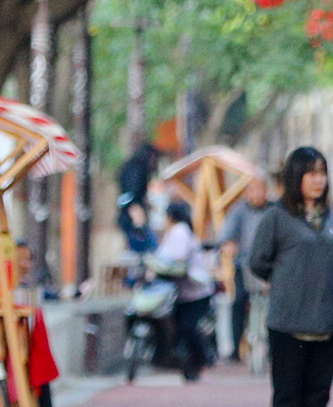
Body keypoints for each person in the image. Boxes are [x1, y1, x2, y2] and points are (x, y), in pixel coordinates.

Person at [246, 147, 333, 407]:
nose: (318, 180)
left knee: (318, 394)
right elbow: (257, 260)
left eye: (322, 173)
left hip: (325, 318)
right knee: (288, 393)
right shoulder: (277, 217)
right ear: (295, 177)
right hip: (287, 320)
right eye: (311, 173)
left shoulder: (330, 217)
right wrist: (285, 281)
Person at [149, 199, 216, 382]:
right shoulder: (176, 233)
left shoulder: (180, 232)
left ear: (169, 217)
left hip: (195, 292)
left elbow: (176, 260)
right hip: (184, 292)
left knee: (187, 327)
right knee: (180, 328)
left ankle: (201, 358)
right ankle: (189, 361)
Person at [217, 173, 272, 369]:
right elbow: (226, 235)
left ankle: (272, 348)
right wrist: (228, 245)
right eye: (252, 190)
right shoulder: (238, 211)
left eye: (260, 189)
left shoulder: (274, 211)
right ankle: (235, 349)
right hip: (244, 266)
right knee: (239, 301)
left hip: (270, 268)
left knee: (275, 305)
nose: (256, 194)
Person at [115, 130, 162, 254]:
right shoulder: (137, 169)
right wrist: (137, 215)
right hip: (134, 220)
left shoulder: (134, 167)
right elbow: (132, 195)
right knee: (146, 250)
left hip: (131, 216)